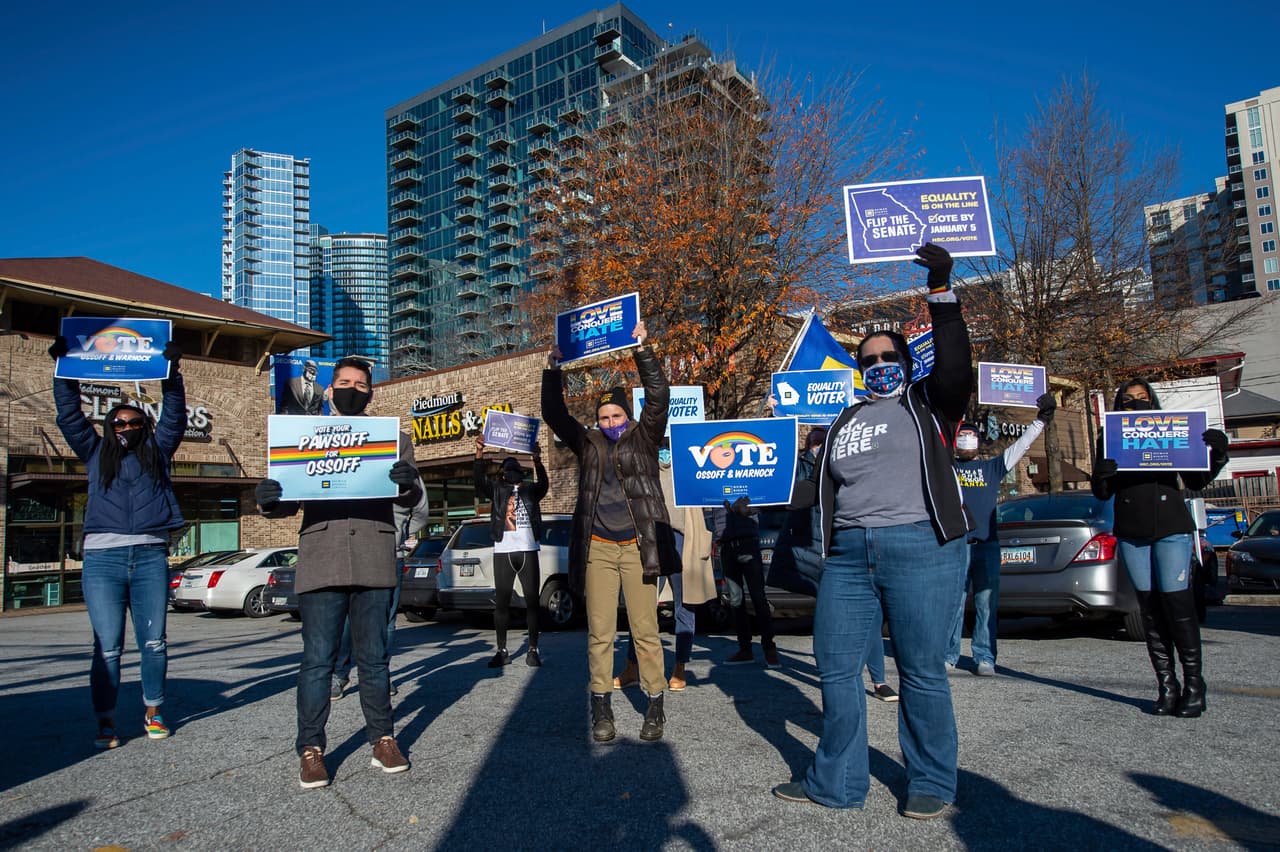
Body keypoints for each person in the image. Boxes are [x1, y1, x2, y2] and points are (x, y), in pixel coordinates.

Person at [771, 243, 972, 820]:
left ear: (905, 363)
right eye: (869, 359)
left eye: (888, 355)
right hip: (849, 557)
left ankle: (931, 780)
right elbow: (820, 489)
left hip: (920, 547)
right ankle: (836, 781)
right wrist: (749, 497)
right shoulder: (844, 421)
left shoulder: (929, 403)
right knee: (834, 668)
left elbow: (956, 365)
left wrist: (941, 289)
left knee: (921, 673)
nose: (879, 363)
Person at [255, 356, 424, 789]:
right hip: (322, 555)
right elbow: (286, 503)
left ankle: (383, 739)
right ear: (330, 389)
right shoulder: (300, 436)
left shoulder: (394, 438)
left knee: (375, 660)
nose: (353, 388)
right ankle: (311, 749)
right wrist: (270, 497)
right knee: (317, 661)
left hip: (373, 553)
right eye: (345, 382)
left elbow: (409, 501)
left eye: (361, 384)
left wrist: (407, 482)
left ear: (371, 391)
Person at [541, 321, 679, 743]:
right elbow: (554, 414)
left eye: (616, 414)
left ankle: (654, 706)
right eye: (603, 416)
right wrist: (552, 369)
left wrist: (643, 349)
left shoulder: (644, 437)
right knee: (600, 632)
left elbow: (659, 397)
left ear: (627, 414)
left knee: (645, 630)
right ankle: (601, 706)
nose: (610, 421)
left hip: (639, 547)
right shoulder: (587, 443)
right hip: (598, 548)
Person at [50, 335, 185, 749]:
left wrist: (171, 375)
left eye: (133, 423)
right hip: (102, 560)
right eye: (118, 423)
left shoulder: (158, 453)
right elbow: (70, 417)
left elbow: (175, 418)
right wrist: (63, 370)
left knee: (154, 640)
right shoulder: (94, 453)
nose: (125, 428)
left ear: (144, 426)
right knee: (107, 646)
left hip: (148, 557)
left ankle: (153, 711)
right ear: (109, 429)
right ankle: (106, 720)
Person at [1090, 379, 1228, 719]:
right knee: (1150, 610)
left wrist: (1218, 453)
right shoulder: (1109, 435)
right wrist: (1103, 475)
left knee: (1177, 604)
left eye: (1142, 398)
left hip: (1171, 527)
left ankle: (1194, 685)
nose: (1135, 404)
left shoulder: (1172, 431)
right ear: (1118, 404)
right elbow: (1102, 492)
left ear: (1152, 401)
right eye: (1127, 399)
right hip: (1132, 530)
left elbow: (1195, 481)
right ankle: (1167, 686)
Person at [773, 423, 898, 700]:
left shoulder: (844, 467)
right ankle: (832, 671)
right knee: (827, 618)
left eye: (823, 442)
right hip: (812, 553)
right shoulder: (802, 468)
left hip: (844, 549)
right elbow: (786, 487)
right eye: (814, 443)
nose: (818, 447)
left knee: (871, 616)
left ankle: (879, 680)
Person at [945, 393, 1056, 676]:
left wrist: (1041, 421)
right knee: (952, 603)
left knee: (985, 602)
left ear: (979, 443)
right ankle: (949, 654)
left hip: (986, 543)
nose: (967, 443)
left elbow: (1021, 445)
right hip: (955, 544)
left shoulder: (992, 467)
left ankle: (984, 656)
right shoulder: (947, 468)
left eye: (971, 438)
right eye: (962, 437)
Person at [614, 441, 717, 692]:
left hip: (684, 537)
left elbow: (712, 480)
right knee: (642, 606)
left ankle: (680, 665)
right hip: (652, 536)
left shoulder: (690, 461)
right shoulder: (643, 462)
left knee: (685, 604)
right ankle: (632, 666)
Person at [331, 483, 431, 700]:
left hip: (390, 555)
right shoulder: (357, 463)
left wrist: (395, 534)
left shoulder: (404, 468)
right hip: (353, 553)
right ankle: (340, 674)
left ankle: (380, 676)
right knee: (347, 618)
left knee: (386, 622)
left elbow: (421, 513)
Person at [474, 435, 550, 668]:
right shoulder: (497, 490)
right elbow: (479, 480)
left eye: (514, 470)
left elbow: (544, 484)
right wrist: (479, 453)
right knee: (502, 602)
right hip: (503, 549)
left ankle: (533, 649)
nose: (511, 473)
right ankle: (502, 650)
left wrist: (537, 460)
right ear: (503, 474)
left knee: (531, 602)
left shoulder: (529, 491)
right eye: (508, 470)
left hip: (527, 549)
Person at [714, 496, 780, 668]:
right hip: (726, 544)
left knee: (758, 597)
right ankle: (745, 649)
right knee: (735, 600)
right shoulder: (715, 484)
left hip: (748, 541)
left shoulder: (746, 482)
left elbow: (763, 502)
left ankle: (769, 649)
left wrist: (750, 509)